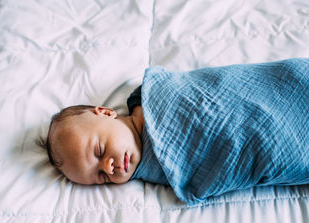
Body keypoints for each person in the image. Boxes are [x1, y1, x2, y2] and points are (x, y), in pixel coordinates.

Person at [38, 58, 309, 205]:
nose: (109, 168)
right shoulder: (159, 170)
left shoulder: (153, 95)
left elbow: (213, 88)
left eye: (98, 151)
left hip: (276, 86)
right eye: (100, 177)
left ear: (106, 112)